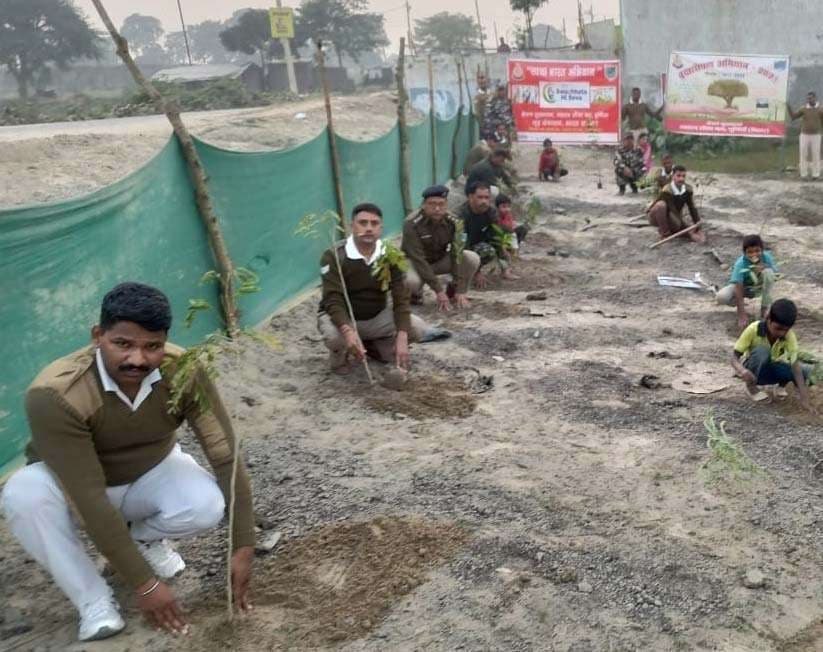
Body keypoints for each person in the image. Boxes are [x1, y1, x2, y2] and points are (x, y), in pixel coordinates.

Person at [0, 282, 255, 642]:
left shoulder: (182, 372)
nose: (138, 359)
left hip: (150, 471)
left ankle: (141, 540)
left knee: (205, 505)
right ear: (97, 336)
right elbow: (88, 497)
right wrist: (146, 585)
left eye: (152, 346)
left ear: (165, 341)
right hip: (75, 485)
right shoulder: (55, 394)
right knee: (22, 495)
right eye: (123, 344)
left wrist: (242, 542)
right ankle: (93, 600)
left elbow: (225, 455)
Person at [318, 202, 430, 374]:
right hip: (343, 318)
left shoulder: (390, 255)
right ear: (351, 226)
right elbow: (332, 298)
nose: (369, 228)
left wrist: (401, 336)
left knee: (417, 327)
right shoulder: (334, 256)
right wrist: (347, 330)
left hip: (376, 317)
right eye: (363, 223)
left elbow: (401, 298)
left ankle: (372, 345)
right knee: (335, 338)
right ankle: (340, 354)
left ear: (381, 227)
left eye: (374, 223)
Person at [401, 185, 480, 311]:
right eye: (432, 204)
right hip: (415, 263)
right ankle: (415, 295)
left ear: (446, 205)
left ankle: (455, 292)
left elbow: (456, 253)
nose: (437, 208)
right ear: (423, 205)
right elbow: (418, 258)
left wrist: (459, 287)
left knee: (471, 258)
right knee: (411, 282)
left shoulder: (454, 222)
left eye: (441, 204)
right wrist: (438, 291)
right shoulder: (411, 224)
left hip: (438, 261)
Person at [730, 298, 814, 408]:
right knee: (762, 351)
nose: (781, 333)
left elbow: (795, 365)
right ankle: (751, 389)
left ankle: (781, 386)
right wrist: (743, 371)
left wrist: (804, 396)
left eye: (786, 330)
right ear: (768, 319)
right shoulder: (753, 329)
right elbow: (734, 357)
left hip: (771, 370)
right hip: (753, 372)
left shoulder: (789, 336)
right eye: (778, 328)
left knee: (805, 370)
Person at [458, 181, 517, 284]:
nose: (484, 201)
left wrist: (505, 265)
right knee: (482, 251)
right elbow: (461, 243)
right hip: (459, 249)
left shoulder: (491, 212)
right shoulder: (461, 214)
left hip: (477, 244)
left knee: (495, 247)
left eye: (486, 197)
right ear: (470, 197)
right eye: (480, 197)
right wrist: (476, 272)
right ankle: (463, 274)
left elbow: (496, 237)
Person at [716, 234, 778, 331]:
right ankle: (740, 304)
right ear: (744, 253)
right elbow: (738, 286)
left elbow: (775, 276)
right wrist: (741, 314)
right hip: (742, 288)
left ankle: (764, 309)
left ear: (762, 250)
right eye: (750, 252)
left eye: (757, 251)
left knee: (769, 273)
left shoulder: (766, 257)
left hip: (758, 288)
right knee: (721, 297)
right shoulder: (741, 263)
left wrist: (764, 268)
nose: (754, 255)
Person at [647, 164, 705, 243]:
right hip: (656, 216)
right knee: (661, 205)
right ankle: (665, 233)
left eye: (683, 176)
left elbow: (692, 208)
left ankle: (670, 229)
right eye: (678, 176)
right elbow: (673, 211)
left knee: (680, 226)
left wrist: (698, 225)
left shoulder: (688, 189)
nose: (681, 179)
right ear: (673, 176)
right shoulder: (667, 190)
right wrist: (689, 233)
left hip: (671, 215)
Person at [788, 91, 823, 181]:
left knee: (816, 154)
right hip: (804, 135)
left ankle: (816, 174)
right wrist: (789, 108)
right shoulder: (803, 109)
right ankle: (804, 174)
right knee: (803, 154)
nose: (809, 100)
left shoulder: (820, 109)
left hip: (816, 135)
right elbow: (793, 117)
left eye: (810, 98)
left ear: (815, 98)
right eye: (808, 98)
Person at [474, 74, 491, 139]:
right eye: (480, 79)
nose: (482, 81)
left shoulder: (490, 92)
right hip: (481, 122)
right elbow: (476, 111)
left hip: (491, 122)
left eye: (483, 78)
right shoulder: (476, 93)